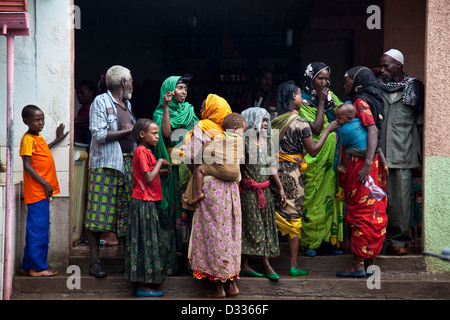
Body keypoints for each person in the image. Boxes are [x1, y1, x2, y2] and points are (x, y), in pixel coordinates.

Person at [270, 80, 338, 276]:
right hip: (293, 174)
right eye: (300, 95)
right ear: (294, 97)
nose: (302, 98)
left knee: (273, 215)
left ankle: (269, 263)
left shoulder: (273, 119)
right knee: (293, 217)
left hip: (274, 172)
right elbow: (314, 151)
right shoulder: (300, 123)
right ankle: (293, 264)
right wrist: (327, 130)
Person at [185, 94, 242, 298]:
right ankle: (232, 284)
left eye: (204, 107)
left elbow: (190, 156)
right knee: (230, 234)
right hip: (232, 190)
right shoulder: (230, 133)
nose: (201, 111)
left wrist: (198, 171)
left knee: (213, 235)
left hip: (211, 189)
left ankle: (218, 287)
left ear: (212, 110)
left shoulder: (203, 127)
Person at [336, 66, 388, 277]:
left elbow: (372, 130)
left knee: (362, 213)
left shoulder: (359, 102)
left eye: (347, 81)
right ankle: (369, 263)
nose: (344, 85)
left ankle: (358, 265)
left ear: (357, 82)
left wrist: (366, 164)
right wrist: (379, 160)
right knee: (375, 212)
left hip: (363, 166)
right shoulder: (374, 100)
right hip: (373, 164)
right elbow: (371, 133)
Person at [84, 65, 136, 277]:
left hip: (126, 164)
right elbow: (99, 135)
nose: (132, 83)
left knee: (124, 212)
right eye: (130, 79)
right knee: (98, 213)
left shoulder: (127, 104)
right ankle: (95, 261)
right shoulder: (100, 102)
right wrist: (130, 130)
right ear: (123, 83)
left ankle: (127, 261)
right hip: (105, 166)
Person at [124, 118, 178, 297]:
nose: (157, 137)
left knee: (159, 236)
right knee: (146, 243)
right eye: (153, 133)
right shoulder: (140, 151)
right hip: (143, 202)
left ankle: (149, 281)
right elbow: (147, 178)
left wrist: (160, 171)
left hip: (149, 201)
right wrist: (161, 162)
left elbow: (147, 174)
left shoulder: (146, 151)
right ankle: (143, 286)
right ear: (142, 135)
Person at [379, 49, 424, 255]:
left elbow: (421, 125)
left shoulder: (414, 88)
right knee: (378, 201)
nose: (382, 70)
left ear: (398, 65)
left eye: (386, 66)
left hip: (403, 153)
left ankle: (399, 242)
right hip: (378, 155)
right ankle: (379, 240)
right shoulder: (378, 89)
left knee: (401, 204)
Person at [298, 62, 343, 257]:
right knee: (312, 198)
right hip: (313, 159)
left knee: (331, 197)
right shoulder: (302, 102)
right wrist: (322, 103)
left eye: (326, 78)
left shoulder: (334, 99)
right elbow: (315, 129)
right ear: (310, 78)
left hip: (332, 160)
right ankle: (310, 243)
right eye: (320, 78)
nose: (324, 82)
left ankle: (328, 241)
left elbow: (346, 116)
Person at [152, 76, 199, 259]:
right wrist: (165, 107)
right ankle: (172, 253)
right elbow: (165, 134)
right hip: (171, 170)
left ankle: (188, 254)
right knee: (173, 209)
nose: (183, 92)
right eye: (179, 88)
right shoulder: (159, 113)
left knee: (189, 209)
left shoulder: (189, 110)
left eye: (185, 88)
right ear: (169, 91)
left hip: (189, 168)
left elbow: (197, 135)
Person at [19, 104, 68, 277]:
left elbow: (42, 150)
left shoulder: (36, 137)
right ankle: (38, 268)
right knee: (39, 231)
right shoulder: (27, 139)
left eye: (42, 119)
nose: (41, 123)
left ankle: (27, 266)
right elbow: (27, 166)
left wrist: (57, 139)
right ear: (26, 121)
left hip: (41, 192)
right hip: (37, 192)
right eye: (37, 120)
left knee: (35, 229)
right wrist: (45, 183)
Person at [239, 107, 286, 281]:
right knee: (253, 227)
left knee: (265, 226)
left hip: (265, 190)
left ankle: (245, 265)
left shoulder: (266, 142)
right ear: (252, 122)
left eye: (267, 120)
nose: (266, 124)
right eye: (262, 120)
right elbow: (240, 168)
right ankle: (266, 265)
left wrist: (280, 187)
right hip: (250, 193)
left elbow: (271, 166)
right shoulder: (244, 143)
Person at [185, 113, 246, 205]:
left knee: (200, 169)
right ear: (235, 129)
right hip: (235, 177)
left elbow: (205, 151)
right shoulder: (240, 141)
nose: (243, 134)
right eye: (243, 131)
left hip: (214, 180)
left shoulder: (219, 136)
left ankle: (199, 193)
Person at [335, 103, 388, 175]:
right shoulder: (359, 121)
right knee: (378, 149)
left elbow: (344, 142)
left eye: (339, 118)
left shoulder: (344, 129)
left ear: (349, 118)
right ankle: (385, 165)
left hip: (361, 150)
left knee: (347, 151)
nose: (336, 120)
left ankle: (345, 167)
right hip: (372, 149)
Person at [74, 80, 97, 145]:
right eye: (77, 93)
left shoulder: (95, 107)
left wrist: (82, 119)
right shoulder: (81, 110)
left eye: (82, 92)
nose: (79, 95)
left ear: (91, 93)